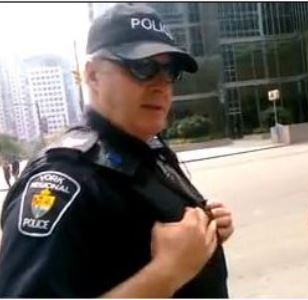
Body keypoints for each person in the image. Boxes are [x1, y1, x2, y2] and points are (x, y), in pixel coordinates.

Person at [0, 4, 233, 298]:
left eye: (169, 71)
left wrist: (205, 231)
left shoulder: (147, 148)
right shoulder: (65, 181)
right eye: (142, 67)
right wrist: (166, 273)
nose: (161, 84)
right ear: (93, 75)